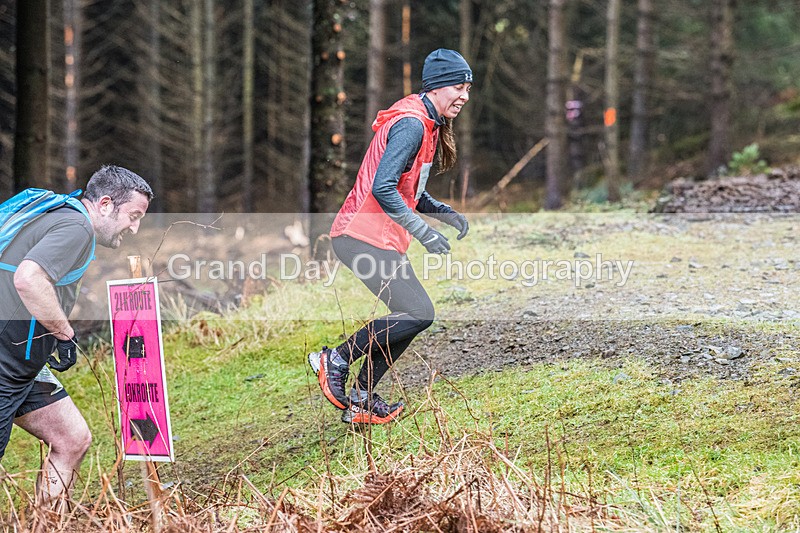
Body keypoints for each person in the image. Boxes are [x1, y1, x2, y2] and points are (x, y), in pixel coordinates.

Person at [309, 49, 472, 424]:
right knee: (418, 313)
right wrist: (424, 233)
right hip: (361, 235)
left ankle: (363, 396)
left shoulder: (426, 125)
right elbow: (383, 188)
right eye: (457, 87)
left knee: (410, 315)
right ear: (434, 86)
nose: (463, 95)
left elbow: (408, 190)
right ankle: (334, 359)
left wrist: (445, 214)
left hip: (374, 238)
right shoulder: (412, 125)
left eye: (467, 88)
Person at [0, 165, 153, 508]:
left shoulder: (61, 212)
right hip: (4, 362)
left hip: (23, 366)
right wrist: (64, 334)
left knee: (71, 439)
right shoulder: (77, 228)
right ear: (104, 204)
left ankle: (46, 524)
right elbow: (28, 278)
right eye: (132, 215)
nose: (135, 226)